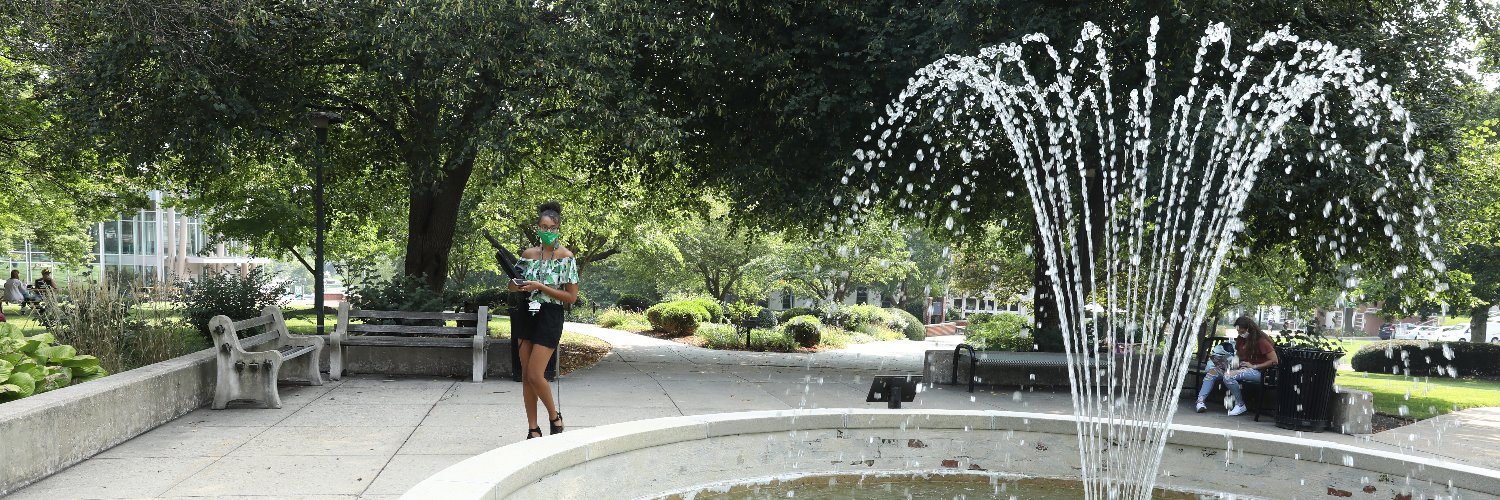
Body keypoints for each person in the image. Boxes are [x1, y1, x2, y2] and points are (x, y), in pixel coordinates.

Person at [507, 201, 579, 439]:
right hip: (526, 313)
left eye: (551, 228)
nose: (547, 231)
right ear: (537, 227)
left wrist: (540, 286)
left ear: (558, 229)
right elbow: (511, 284)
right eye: (543, 227)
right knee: (526, 376)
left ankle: (554, 416)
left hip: (550, 316)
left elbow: (571, 297)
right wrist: (518, 286)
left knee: (537, 374)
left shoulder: (566, 258)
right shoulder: (528, 255)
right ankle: (533, 429)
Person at [1196, 316, 1278, 416]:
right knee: (1212, 372)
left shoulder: (1261, 341)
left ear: (1249, 329)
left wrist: (1253, 366)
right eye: (1238, 331)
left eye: (1242, 332)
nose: (1240, 334)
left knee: (1228, 376)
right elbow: (1239, 355)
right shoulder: (1241, 339)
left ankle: (1240, 404)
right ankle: (1200, 402)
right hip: (1241, 368)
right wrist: (1228, 363)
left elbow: (1274, 361)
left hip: (1258, 372)